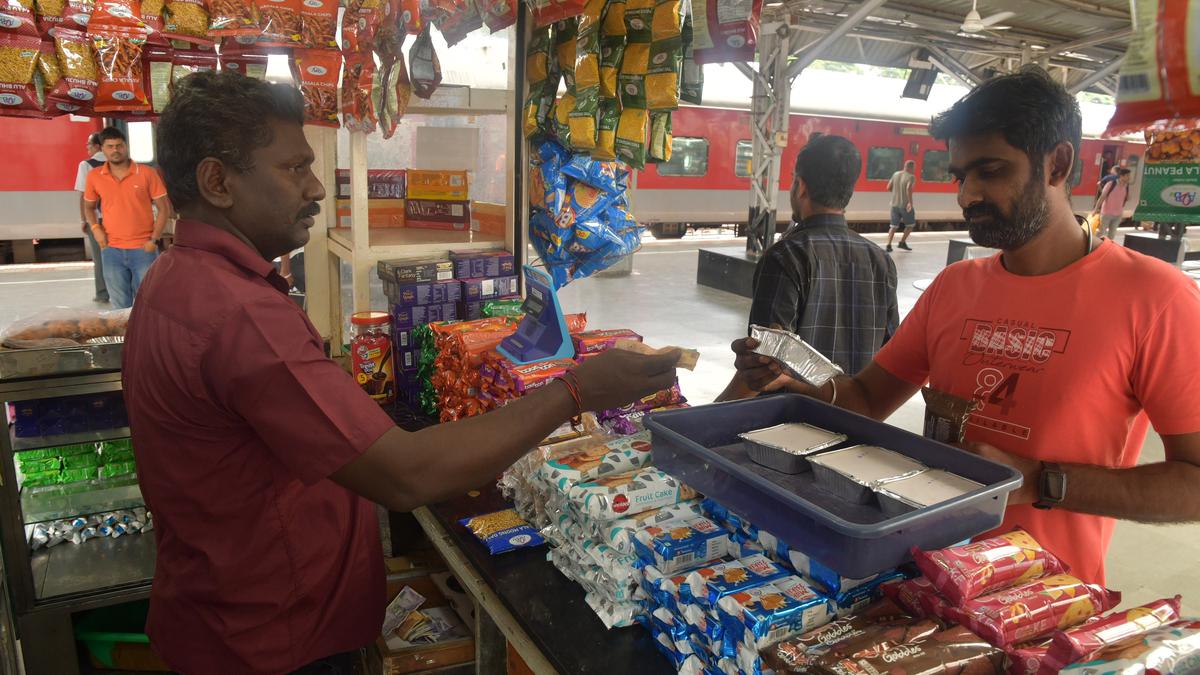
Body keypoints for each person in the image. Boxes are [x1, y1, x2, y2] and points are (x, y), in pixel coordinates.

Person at [122, 71, 679, 675]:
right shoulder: (240, 313)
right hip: (271, 641)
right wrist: (576, 390)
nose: (314, 189)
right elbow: (405, 476)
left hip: (219, 614)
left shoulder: (174, 278)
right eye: (292, 168)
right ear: (216, 182)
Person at [730, 66, 1200, 586]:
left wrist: (1036, 482)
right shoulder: (955, 287)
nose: (966, 195)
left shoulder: (1155, 299)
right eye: (959, 176)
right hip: (920, 573)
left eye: (990, 171)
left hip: (1041, 600)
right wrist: (794, 387)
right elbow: (866, 398)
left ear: (1058, 165)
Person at [720, 135, 897, 401]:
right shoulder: (881, 261)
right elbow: (890, 354)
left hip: (789, 421)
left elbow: (765, 360)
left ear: (800, 186)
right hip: (856, 419)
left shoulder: (786, 255)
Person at [83, 127, 171, 309]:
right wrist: (96, 229)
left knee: (147, 305)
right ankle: (126, 338)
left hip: (144, 250)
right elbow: (89, 207)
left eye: (119, 145)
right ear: (103, 149)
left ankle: (145, 338)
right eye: (110, 146)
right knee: (119, 309)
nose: (115, 150)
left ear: (126, 146)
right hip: (111, 250)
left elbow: (164, 209)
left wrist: (154, 240)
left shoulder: (147, 173)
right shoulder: (94, 177)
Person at [75, 133, 109, 303]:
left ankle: (103, 293)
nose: (87, 147)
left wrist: (83, 220)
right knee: (118, 255)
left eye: (89, 144)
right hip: (115, 217)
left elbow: (83, 195)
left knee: (100, 257)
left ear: (97, 146)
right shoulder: (116, 163)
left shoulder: (86, 165)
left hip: (95, 218)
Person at [885, 159, 917, 252]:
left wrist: (896, 193)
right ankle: (902, 242)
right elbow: (908, 189)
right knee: (910, 225)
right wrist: (910, 203)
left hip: (894, 205)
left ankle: (888, 245)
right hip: (904, 206)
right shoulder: (911, 177)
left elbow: (888, 187)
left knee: (893, 226)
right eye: (914, 168)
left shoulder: (896, 174)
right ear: (911, 167)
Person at [1092, 167, 1131, 241]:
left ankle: (1108, 249)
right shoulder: (1111, 184)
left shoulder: (1127, 186)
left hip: (1118, 215)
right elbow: (1102, 198)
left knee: (1112, 235)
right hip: (1106, 213)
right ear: (1121, 176)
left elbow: (1127, 199)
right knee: (1102, 234)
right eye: (1127, 176)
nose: (1129, 178)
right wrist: (1095, 210)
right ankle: (1099, 248)